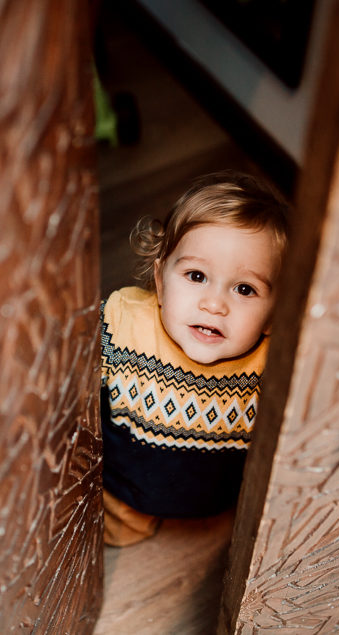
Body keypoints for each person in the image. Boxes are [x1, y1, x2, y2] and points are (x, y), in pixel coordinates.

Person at [100, 171, 292, 546]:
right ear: (159, 281)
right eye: (196, 275)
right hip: (126, 488)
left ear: (273, 314)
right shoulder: (122, 322)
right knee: (118, 520)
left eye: (244, 289)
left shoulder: (277, 363)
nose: (214, 304)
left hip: (219, 497)